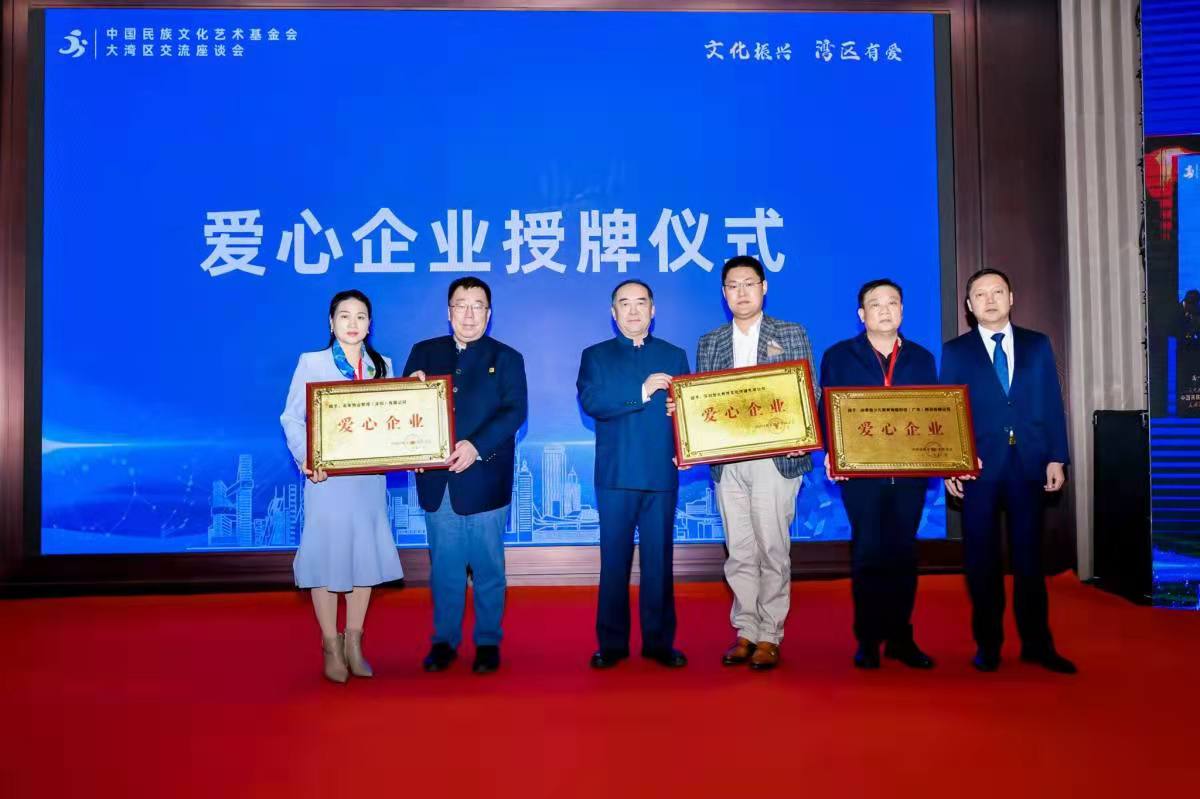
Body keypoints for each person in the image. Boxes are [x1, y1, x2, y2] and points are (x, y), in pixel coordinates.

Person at [941, 268, 1076, 674]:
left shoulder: (1037, 344)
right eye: (980, 295)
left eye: (997, 292)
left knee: (1030, 560)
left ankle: (1037, 644)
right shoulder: (956, 351)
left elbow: (1051, 402)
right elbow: (948, 411)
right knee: (981, 561)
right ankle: (988, 645)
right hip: (979, 470)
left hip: (1029, 465)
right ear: (969, 306)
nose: (990, 300)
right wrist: (953, 464)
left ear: (1011, 298)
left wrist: (1057, 456)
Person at [695, 255, 816, 670]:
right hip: (728, 461)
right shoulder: (710, 342)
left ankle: (770, 633)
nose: (741, 292)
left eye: (749, 283)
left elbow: (808, 390)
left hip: (775, 459)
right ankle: (745, 629)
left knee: (772, 546)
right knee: (739, 549)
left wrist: (803, 435)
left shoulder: (790, 332)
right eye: (733, 285)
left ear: (764, 288)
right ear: (724, 293)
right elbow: (703, 402)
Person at [404, 277, 527, 674]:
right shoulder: (424, 352)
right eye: (461, 305)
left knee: (489, 568)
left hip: (485, 479)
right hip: (439, 482)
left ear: (489, 314)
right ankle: (444, 641)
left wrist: (476, 446)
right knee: (444, 569)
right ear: (449, 311)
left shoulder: (507, 357)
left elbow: (515, 411)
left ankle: (488, 641)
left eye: (478, 306)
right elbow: (406, 410)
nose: (469, 314)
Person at [280, 289, 404, 684]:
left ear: (370, 325)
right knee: (326, 558)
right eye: (345, 316)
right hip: (327, 480)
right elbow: (291, 418)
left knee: (364, 557)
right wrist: (307, 459)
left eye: (361, 316)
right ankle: (330, 644)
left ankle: (354, 642)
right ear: (331, 323)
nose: (353, 323)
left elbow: (395, 418)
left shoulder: (383, 365)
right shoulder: (312, 362)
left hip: (367, 480)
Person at [819, 279, 937, 670]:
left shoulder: (921, 358)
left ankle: (901, 637)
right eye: (875, 304)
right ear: (861, 314)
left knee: (903, 553)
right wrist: (833, 453)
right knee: (868, 552)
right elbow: (827, 410)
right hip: (861, 475)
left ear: (902, 310)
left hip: (909, 474)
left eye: (892, 303)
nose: (885, 310)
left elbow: (935, 413)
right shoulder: (839, 356)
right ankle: (868, 639)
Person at [578, 280, 690, 669]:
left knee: (659, 564)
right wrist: (641, 391)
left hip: (661, 473)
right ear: (613, 313)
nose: (633, 310)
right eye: (624, 304)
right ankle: (611, 644)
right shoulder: (596, 356)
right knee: (614, 564)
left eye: (641, 303)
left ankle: (659, 643)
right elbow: (592, 401)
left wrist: (684, 437)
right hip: (616, 476)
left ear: (653, 310)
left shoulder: (674, 355)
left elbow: (688, 412)